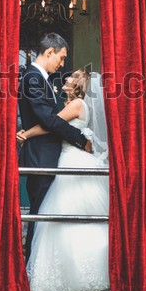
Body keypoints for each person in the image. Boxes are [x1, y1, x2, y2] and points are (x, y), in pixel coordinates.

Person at [17, 69, 110, 291]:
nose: (67, 78)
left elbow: (52, 124)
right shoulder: (75, 103)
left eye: (72, 76)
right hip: (73, 158)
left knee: (65, 220)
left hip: (72, 161)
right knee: (74, 221)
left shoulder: (77, 104)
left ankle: (76, 279)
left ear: (79, 83)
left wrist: (25, 134)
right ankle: (79, 282)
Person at [18, 33, 92, 261]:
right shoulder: (32, 78)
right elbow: (50, 120)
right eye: (61, 58)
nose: (62, 65)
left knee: (45, 218)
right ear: (49, 52)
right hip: (41, 157)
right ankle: (32, 274)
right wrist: (81, 140)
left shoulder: (42, 78)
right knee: (40, 218)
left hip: (49, 156)